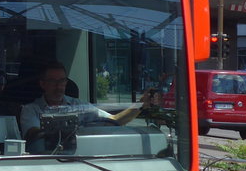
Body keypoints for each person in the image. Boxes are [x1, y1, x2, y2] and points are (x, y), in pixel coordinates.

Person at [20, 62, 160, 152]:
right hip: (44, 163)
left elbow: (115, 120)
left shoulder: (79, 106)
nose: (59, 86)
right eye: (53, 81)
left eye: (62, 81)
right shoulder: (30, 110)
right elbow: (34, 135)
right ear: (42, 84)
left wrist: (141, 105)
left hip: (82, 163)